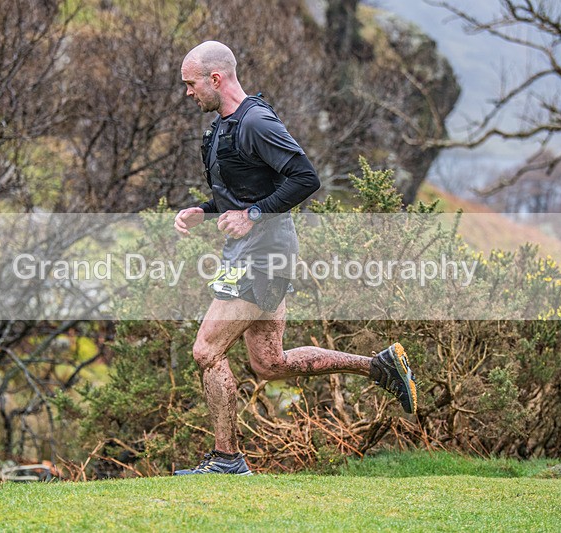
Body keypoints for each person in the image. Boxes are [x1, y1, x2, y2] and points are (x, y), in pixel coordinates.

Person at [173, 41, 416, 476]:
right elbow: (245, 193)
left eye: (191, 84)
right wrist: (205, 211)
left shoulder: (256, 122)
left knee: (207, 350)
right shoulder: (223, 126)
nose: (188, 92)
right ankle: (379, 367)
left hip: (263, 255)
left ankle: (227, 460)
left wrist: (253, 215)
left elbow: (305, 178)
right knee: (270, 363)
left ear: (215, 78)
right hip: (257, 253)